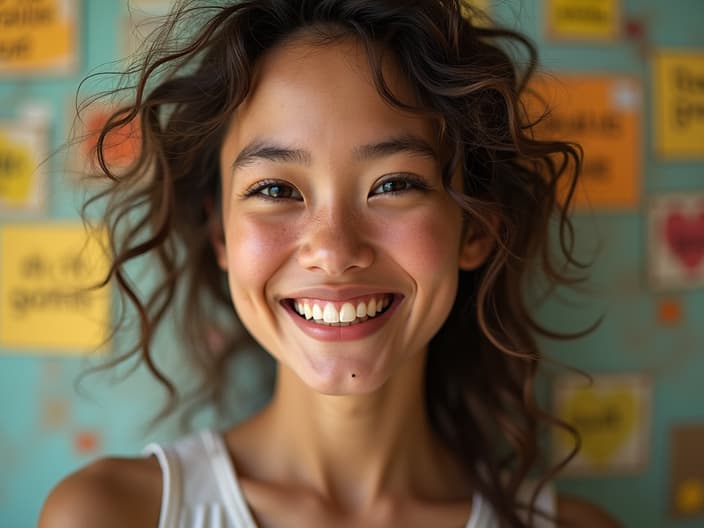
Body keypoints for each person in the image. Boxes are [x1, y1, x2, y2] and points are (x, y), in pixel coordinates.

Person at [40, 1, 622, 526]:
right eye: (274, 190)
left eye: (394, 183)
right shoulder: (108, 515)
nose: (334, 250)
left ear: (476, 228)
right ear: (219, 231)